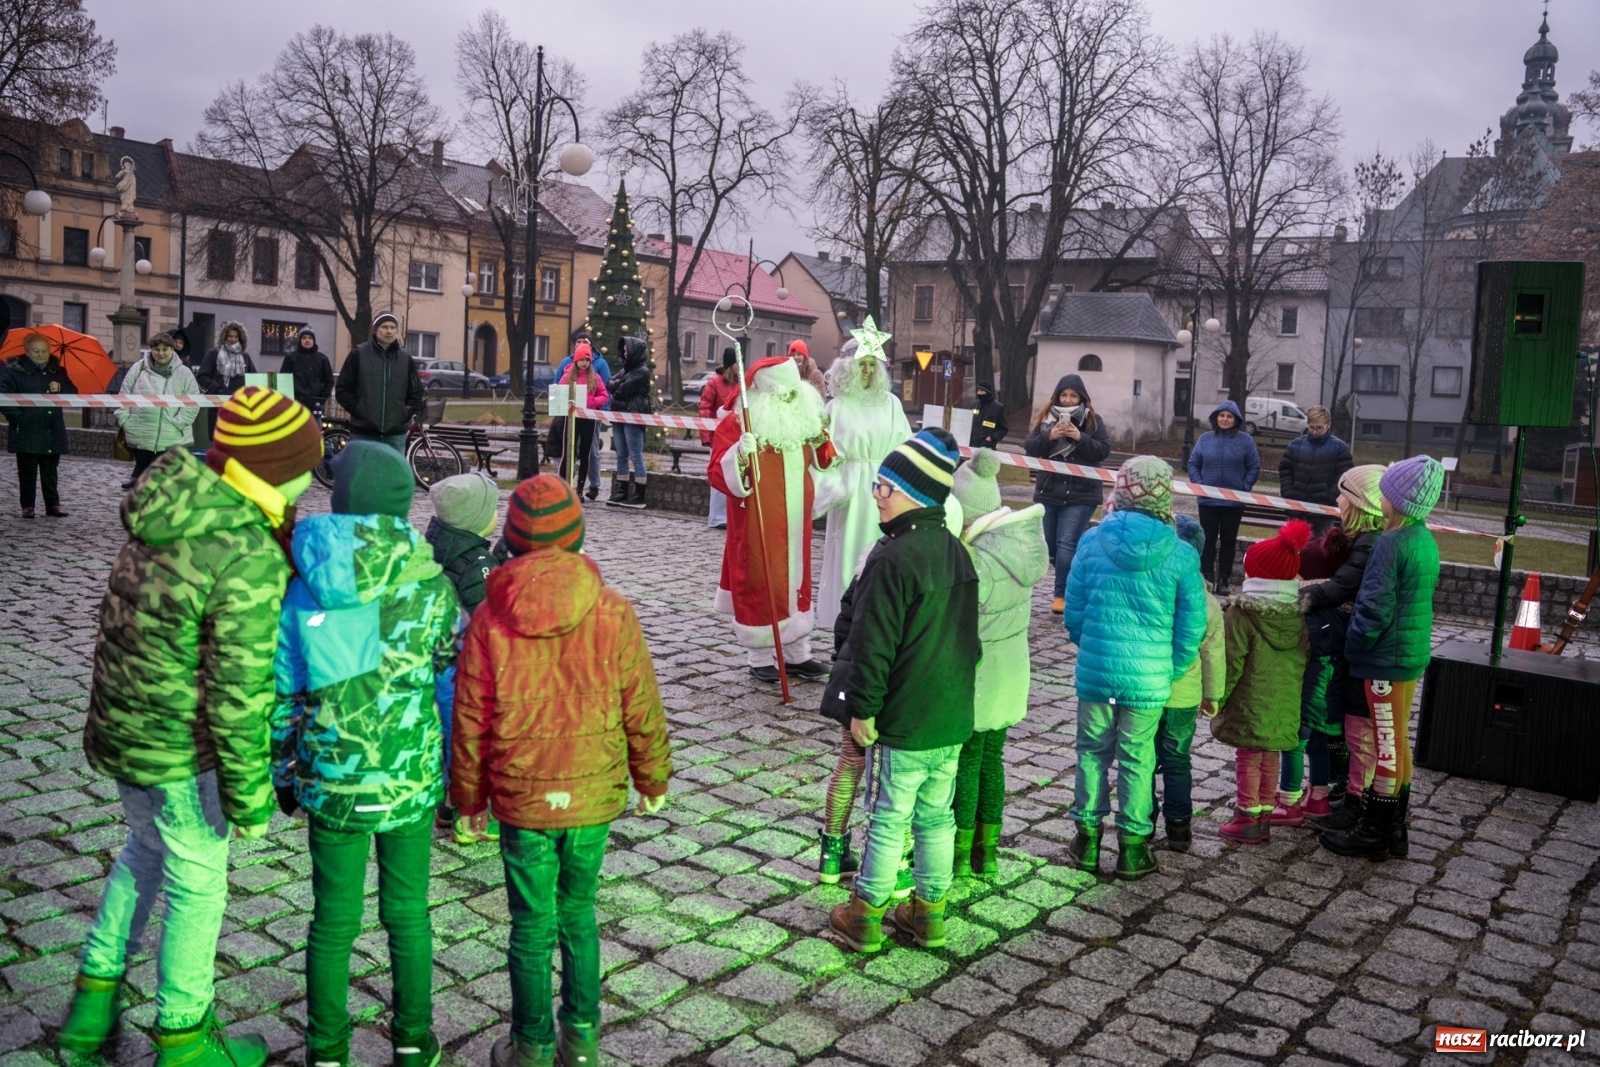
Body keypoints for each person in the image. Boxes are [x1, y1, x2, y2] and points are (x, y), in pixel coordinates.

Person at [60, 387, 322, 1065]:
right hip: (183, 749)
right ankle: (183, 1036)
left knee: (144, 852)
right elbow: (237, 691)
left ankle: (93, 1004)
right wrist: (250, 797)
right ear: (272, 472)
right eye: (303, 467)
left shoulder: (174, 507)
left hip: (126, 730)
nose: (309, 480)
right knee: (199, 879)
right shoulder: (245, 549)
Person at [451, 474, 672, 1067]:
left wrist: (468, 803)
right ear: (576, 535)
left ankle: (529, 1045)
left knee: (530, 924)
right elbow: (640, 703)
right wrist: (652, 778)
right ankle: (581, 1041)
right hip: (592, 794)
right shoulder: (612, 611)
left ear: (513, 541)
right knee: (578, 912)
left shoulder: (490, 618)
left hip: (523, 800)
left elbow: (470, 717)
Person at [272, 441, 461, 1067]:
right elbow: (448, 681)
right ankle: (413, 1041)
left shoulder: (303, 584)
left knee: (332, 922)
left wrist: (282, 773)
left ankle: (326, 1050)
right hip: (408, 779)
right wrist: (455, 771)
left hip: (330, 778)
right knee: (407, 915)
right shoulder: (432, 585)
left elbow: (285, 687)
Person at [826, 430, 978, 953]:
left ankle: (865, 913)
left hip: (905, 719)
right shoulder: (957, 552)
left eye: (881, 487)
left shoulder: (894, 558)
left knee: (889, 816)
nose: (875, 495)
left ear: (907, 493)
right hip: (950, 716)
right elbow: (967, 642)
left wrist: (862, 709)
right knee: (938, 816)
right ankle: (929, 912)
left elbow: (873, 645)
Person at [1063, 456, 1206, 880]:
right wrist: (1171, 668)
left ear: (1119, 490)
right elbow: (1192, 625)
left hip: (1098, 676)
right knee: (1138, 758)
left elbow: (1074, 613)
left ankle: (1086, 839)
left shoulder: (1091, 542)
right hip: (1148, 678)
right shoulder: (1180, 555)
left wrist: (1093, 649)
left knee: (1091, 752)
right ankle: (1133, 847)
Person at [1322, 455, 1443, 860]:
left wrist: (1354, 646)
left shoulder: (1391, 544)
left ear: (1396, 500)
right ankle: (1394, 829)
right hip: (1407, 658)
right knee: (1399, 746)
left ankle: (1374, 831)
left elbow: (1373, 610)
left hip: (1383, 663)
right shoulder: (1424, 539)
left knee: (1387, 747)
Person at [708, 355, 836, 682]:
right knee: (760, 579)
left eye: (795, 393)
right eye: (785, 394)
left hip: (795, 520)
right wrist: (738, 452)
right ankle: (760, 655)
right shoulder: (740, 424)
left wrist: (823, 440)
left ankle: (797, 654)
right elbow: (716, 472)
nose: (792, 400)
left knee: (795, 580)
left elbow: (825, 461)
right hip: (757, 520)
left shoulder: (803, 420)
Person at [949, 448, 1047, 877]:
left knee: (968, 762)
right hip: (1011, 676)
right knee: (993, 759)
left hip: (980, 680)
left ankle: (958, 850)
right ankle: (986, 853)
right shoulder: (1014, 550)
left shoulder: (973, 561)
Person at [1211, 520, 1312, 845]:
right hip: (1284, 703)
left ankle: (1247, 816)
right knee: (1271, 756)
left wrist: (1216, 698)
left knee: (1249, 757)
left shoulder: (1242, 614)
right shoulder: (1296, 616)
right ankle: (1265, 814)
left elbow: (1231, 661)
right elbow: (1304, 658)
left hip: (1249, 702)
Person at [1301, 465, 1388, 833]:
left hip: (1363, 648)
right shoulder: (1358, 538)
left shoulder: (1370, 540)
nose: (1337, 500)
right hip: (1357, 642)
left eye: (1343, 494)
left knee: (1352, 725)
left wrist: (1301, 599)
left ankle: (1356, 798)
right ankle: (1344, 787)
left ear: (1359, 502)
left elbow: (1341, 587)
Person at [813, 338, 912, 631]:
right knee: (849, 555)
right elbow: (822, 456)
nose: (867, 370)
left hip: (886, 488)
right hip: (851, 494)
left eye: (872, 364)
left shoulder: (892, 404)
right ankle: (845, 625)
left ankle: (879, 624)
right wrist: (831, 488)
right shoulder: (837, 408)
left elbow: (905, 447)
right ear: (848, 368)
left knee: (882, 556)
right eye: (861, 365)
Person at [426, 471, 503, 841]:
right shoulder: (477, 564)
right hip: (467, 667)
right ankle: (468, 818)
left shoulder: (437, 545)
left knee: (446, 736)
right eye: (493, 509)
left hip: (437, 662)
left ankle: (445, 805)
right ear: (475, 519)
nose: (498, 514)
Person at [1153, 515, 1225, 852]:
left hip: (1148, 692)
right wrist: (1213, 694)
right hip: (1184, 696)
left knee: (1141, 760)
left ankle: (1141, 822)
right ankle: (1180, 827)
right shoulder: (1209, 603)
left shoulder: (1155, 590)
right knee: (1178, 761)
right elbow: (1213, 653)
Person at [1024, 374, 1111, 614]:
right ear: (1057, 396)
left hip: (1081, 494)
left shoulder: (1093, 421)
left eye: (1073, 395)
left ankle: (1061, 595)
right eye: (1064, 394)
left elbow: (1103, 450)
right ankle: (1076, 579)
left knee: (1066, 544)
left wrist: (1079, 438)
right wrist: (1049, 436)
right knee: (1050, 546)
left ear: (1082, 397)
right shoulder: (1045, 419)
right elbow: (1030, 448)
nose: (1068, 399)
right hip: (1049, 490)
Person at [1186, 399, 1261, 596]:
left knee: (1229, 540)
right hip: (1208, 500)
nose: (1225, 419)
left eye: (1229, 416)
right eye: (1221, 415)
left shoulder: (1246, 441)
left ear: (1236, 420)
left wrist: (1244, 487)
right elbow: (1193, 463)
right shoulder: (1205, 439)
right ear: (1216, 418)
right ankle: (1207, 578)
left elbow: (1254, 466)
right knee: (1208, 540)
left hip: (1233, 502)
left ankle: (1224, 580)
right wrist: (1200, 483)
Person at [1, 332, 75, 517]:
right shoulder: (13, 372)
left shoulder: (58, 371)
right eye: (36, 351)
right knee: (27, 471)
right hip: (26, 428)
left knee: (50, 470)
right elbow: (4, 399)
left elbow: (74, 393)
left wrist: (61, 388)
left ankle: (53, 504)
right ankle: (28, 506)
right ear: (26, 351)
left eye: (44, 351)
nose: (41, 354)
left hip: (52, 428)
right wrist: (19, 419)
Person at [118, 332, 202, 485]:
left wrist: (178, 422)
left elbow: (193, 402)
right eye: (157, 349)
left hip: (172, 435)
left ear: (172, 349)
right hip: (140, 432)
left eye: (165, 349)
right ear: (151, 349)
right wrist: (125, 421)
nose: (161, 353)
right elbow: (124, 395)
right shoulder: (138, 368)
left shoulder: (184, 372)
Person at [335, 312, 424, 452]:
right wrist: (359, 410)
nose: (389, 331)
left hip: (394, 435)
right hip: (363, 433)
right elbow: (342, 389)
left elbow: (416, 391)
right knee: (361, 473)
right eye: (384, 327)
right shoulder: (358, 354)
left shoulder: (405, 359)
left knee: (392, 474)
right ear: (376, 330)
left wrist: (404, 413)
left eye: (392, 327)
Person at [1278, 405, 1353, 535]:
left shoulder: (1340, 448)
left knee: (1318, 552)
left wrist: (1331, 497)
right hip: (1296, 508)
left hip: (1323, 511)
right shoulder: (1295, 445)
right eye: (1311, 427)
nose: (1314, 431)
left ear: (1328, 424)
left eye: (1319, 427)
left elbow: (1344, 477)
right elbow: (1285, 470)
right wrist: (1288, 492)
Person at [555, 334, 612, 501]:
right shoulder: (567, 376)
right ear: (576, 361)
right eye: (582, 360)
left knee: (585, 452)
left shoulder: (595, 377)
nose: (585, 363)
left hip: (589, 418)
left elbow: (604, 395)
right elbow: (560, 392)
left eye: (588, 360)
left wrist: (592, 402)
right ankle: (565, 486)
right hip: (571, 419)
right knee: (568, 452)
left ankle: (580, 487)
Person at [607, 336, 653, 509]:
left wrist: (617, 385)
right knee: (621, 454)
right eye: (623, 350)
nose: (624, 352)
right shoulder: (625, 370)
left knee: (635, 455)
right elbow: (609, 383)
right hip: (619, 414)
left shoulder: (642, 371)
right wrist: (617, 384)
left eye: (627, 350)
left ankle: (639, 494)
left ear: (635, 351)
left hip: (633, 416)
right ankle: (621, 491)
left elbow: (622, 391)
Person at [699, 349, 741, 529]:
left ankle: (730, 516)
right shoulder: (714, 382)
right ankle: (717, 517)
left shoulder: (741, 384)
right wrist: (707, 435)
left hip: (735, 438)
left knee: (735, 476)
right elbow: (705, 409)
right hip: (719, 438)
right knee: (718, 476)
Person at [280, 326, 334, 420]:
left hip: (316, 406)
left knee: (315, 433)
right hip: (295, 405)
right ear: (300, 340)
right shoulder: (291, 358)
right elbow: (283, 380)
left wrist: (321, 399)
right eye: (304, 338)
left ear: (314, 340)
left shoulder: (322, 359)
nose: (307, 340)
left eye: (310, 338)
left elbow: (329, 381)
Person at [969, 379, 1008, 449]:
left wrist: (992, 437)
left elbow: (1003, 428)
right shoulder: (974, 404)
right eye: (978, 390)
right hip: (971, 444)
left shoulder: (998, 408)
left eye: (981, 391)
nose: (979, 393)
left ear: (987, 392)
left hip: (987, 446)